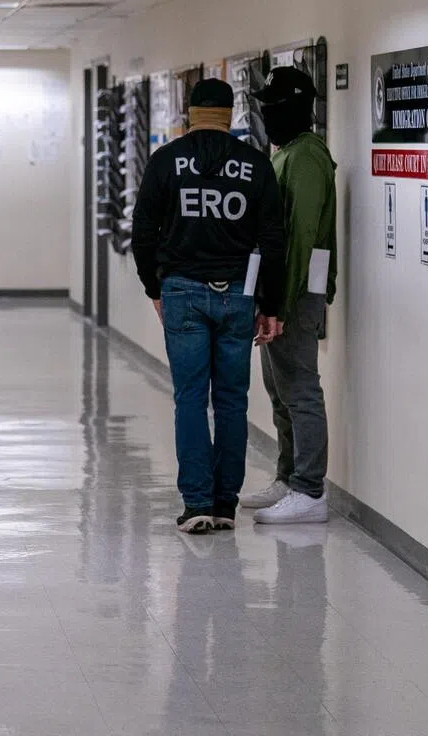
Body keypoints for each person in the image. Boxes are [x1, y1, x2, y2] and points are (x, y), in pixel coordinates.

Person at [132, 78, 287, 534]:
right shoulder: (256, 166)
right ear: (230, 113)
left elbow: (143, 232)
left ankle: (196, 502)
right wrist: (271, 304)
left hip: (181, 291)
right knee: (232, 401)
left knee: (191, 398)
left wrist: (152, 288)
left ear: (189, 110)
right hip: (239, 293)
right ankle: (224, 504)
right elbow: (273, 242)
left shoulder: (165, 162)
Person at [242, 66, 338, 525]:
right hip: (278, 293)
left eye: (272, 107)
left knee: (300, 389)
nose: (266, 115)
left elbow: (299, 236)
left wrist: (280, 303)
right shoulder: (286, 154)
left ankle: (309, 489)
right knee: (278, 389)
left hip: (295, 294)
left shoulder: (307, 157)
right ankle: (287, 476)